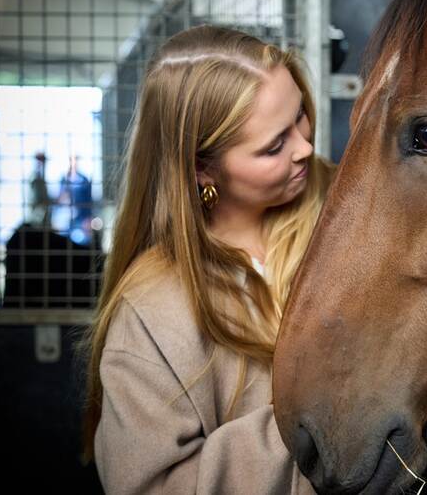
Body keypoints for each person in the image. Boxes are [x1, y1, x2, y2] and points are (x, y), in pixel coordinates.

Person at [81, 25, 334, 494]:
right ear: (202, 168)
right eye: (274, 146)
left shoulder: (348, 206)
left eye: (301, 115)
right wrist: (319, 419)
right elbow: (152, 485)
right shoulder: (154, 309)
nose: (305, 147)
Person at [58, 154, 93, 244]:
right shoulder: (64, 179)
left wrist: (88, 218)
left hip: (81, 218)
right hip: (66, 219)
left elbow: (88, 201)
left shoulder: (84, 180)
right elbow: (60, 199)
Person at [28, 151, 51, 227]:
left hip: (40, 216)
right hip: (38, 217)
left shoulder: (39, 177)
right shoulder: (36, 178)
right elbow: (39, 198)